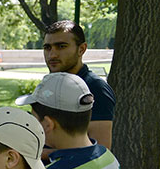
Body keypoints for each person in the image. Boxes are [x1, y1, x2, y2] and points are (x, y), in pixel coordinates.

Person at [43, 20, 116, 149]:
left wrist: (38, 155)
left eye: (61, 46)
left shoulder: (96, 88)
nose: (52, 54)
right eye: (47, 47)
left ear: (81, 49)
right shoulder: (49, 83)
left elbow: (99, 153)